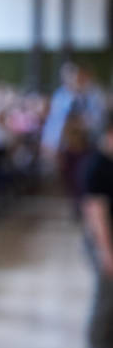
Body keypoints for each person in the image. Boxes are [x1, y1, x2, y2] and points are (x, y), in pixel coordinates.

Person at [82, 115, 113, 348]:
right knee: (107, 299)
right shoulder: (97, 166)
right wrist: (106, 253)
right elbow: (96, 216)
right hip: (103, 242)